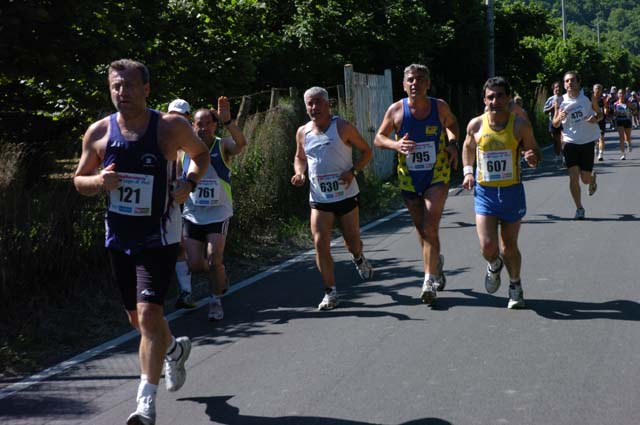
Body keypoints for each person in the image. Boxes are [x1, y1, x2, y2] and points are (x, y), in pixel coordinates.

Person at [73, 59, 210, 425]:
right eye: (116, 86)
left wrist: (189, 184)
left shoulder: (170, 127)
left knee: (150, 315)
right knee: (138, 320)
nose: (122, 92)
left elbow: (201, 155)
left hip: (160, 234)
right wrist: (100, 181)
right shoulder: (99, 132)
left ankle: (145, 405)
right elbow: (78, 181)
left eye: (130, 85)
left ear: (146, 89)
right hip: (119, 237)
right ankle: (176, 350)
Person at [374, 63, 459, 306]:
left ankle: (428, 281)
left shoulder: (439, 106)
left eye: (420, 79)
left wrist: (452, 142)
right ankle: (436, 264)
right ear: (403, 85)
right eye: (410, 79)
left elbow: (452, 124)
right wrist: (395, 145)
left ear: (428, 83)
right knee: (422, 229)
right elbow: (378, 138)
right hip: (408, 174)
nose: (415, 83)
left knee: (430, 224)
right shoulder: (396, 110)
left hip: (437, 172)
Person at [292, 86, 374, 310]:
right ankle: (330, 292)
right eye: (310, 103)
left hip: (346, 195)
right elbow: (299, 157)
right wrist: (299, 173)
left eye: (318, 102)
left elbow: (367, 152)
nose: (314, 107)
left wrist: (353, 172)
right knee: (320, 243)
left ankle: (358, 257)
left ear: (328, 104)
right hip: (319, 198)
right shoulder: (303, 132)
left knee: (352, 243)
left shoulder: (342, 127)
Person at [461, 76, 540, 309]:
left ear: (507, 98)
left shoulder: (520, 125)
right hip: (485, 193)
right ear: (484, 100)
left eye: (499, 96)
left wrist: (533, 157)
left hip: (512, 192)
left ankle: (515, 285)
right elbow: (467, 147)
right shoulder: (475, 125)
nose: (495, 100)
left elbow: (534, 151)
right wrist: (467, 172)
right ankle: (494, 265)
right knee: (488, 247)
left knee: (509, 245)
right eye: (490, 97)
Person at [179, 99, 247, 321]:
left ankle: (215, 301)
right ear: (193, 126)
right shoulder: (184, 151)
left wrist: (228, 121)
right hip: (193, 213)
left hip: (218, 213)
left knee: (214, 257)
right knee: (195, 263)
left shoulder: (222, 145)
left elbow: (241, 143)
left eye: (208, 123)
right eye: (199, 124)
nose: (203, 128)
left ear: (214, 126)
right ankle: (221, 277)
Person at [552, 71, 603, 220]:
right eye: (567, 81)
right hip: (570, 142)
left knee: (585, 179)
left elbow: (600, 114)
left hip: (587, 141)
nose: (569, 83)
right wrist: (559, 118)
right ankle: (579, 208)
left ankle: (591, 179)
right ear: (564, 84)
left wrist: (595, 118)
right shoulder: (560, 100)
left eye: (572, 80)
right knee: (573, 177)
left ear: (578, 83)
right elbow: (554, 123)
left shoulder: (587, 96)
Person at [167, 98, 197, 309]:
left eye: (182, 117)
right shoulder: (157, 138)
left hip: (183, 203)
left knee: (179, 246)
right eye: (173, 115)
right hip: (156, 202)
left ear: (188, 119)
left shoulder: (192, 143)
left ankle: (186, 292)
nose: (176, 120)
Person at [543, 82, 564, 167]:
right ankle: (558, 155)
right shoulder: (551, 99)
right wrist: (553, 107)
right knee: (556, 141)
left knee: (563, 140)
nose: (557, 89)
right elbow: (544, 111)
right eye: (556, 87)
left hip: (564, 122)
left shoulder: (565, 98)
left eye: (559, 87)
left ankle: (564, 156)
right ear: (553, 89)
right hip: (553, 122)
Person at [613, 88, 633, 159]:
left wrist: (628, 110)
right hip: (620, 121)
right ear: (617, 95)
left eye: (622, 93)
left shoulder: (627, 102)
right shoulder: (615, 104)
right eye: (619, 93)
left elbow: (632, 111)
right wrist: (616, 113)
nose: (621, 95)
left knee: (628, 137)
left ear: (624, 95)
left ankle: (629, 143)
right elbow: (614, 114)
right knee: (621, 138)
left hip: (627, 120)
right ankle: (623, 154)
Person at [591, 84, 607, 161]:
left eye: (600, 89)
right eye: (597, 89)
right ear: (593, 89)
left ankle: (600, 154)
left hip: (601, 120)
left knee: (601, 138)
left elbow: (606, 108)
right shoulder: (590, 99)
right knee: (594, 138)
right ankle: (595, 147)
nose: (598, 90)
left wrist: (605, 110)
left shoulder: (602, 99)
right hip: (592, 120)